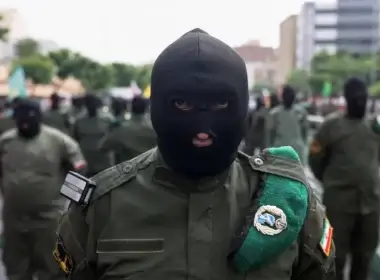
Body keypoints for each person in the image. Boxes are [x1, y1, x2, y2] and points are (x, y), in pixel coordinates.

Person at [54, 29, 334, 280]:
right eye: (182, 103)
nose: (202, 131)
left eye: (221, 103)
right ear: (157, 108)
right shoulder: (99, 209)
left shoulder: (288, 202)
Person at [0, 98, 86, 280]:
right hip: (14, 218)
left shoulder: (60, 141)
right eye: (21, 120)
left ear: (39, 118)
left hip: (49, 218)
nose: (25, 124)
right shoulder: (5, 142)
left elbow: (79, 169)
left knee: (53, 265)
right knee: (16, 266)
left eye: (30, 119)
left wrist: (72, 204)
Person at [309, 77, 379, 280]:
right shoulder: (331, 126)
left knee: (364, 257)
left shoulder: (374, 127)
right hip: (339, 204)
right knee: (334, 257)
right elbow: (315, 158)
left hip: (370, 204)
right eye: (356, 99)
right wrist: (331, 182)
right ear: (347, 100)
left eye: (363, 99)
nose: (360, 103)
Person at [99, 95, 156, 164]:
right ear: (147, 108)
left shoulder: (121, 129)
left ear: (130, 108)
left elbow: (102, 147)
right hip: (152, 171)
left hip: (128, 171)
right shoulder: (156, 129)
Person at [72, 93, 112, 176]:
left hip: (103, 161)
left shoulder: (107, 119)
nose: (92, 106)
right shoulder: (79, 121)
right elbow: (74, 139)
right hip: (86, 160)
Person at [266, 85, 308, 164]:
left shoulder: (301, 112)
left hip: (288, 151)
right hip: (286, 151)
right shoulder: (275, 113)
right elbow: (305, 132)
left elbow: (269, 135)